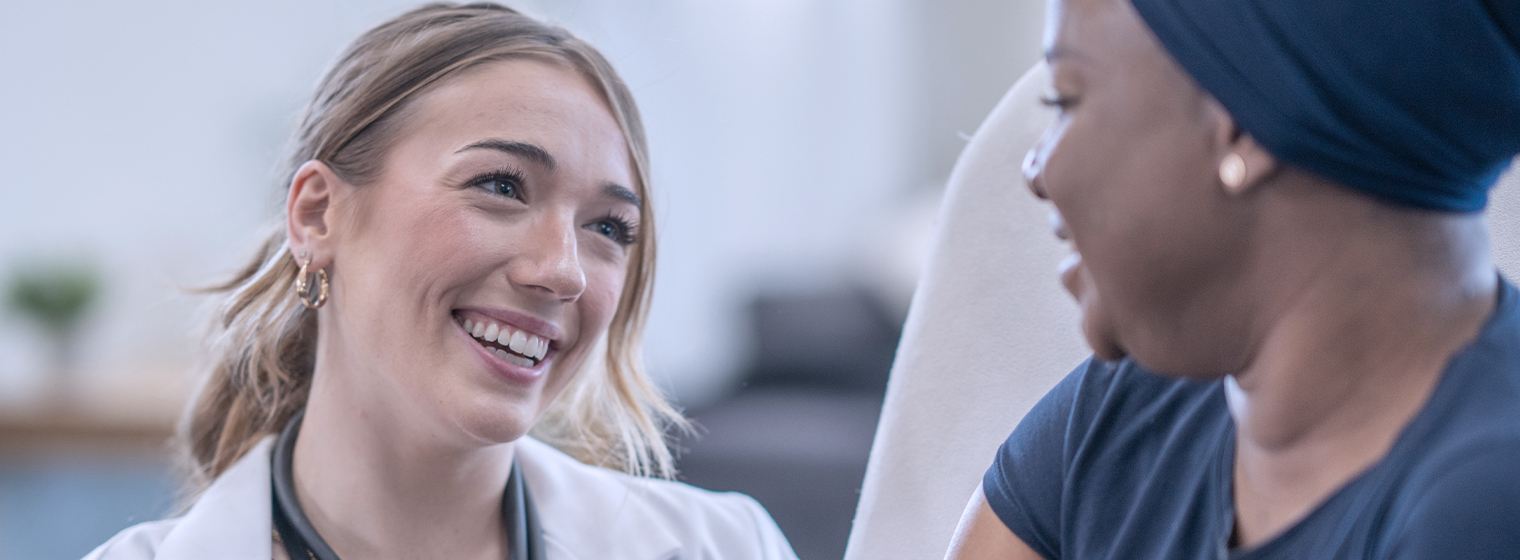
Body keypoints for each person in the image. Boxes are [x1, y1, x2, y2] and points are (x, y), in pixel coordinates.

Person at [84, 4, 797, 559]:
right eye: (501, 185)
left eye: (608, 228)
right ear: (317, 215)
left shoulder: (727, 547)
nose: (562, 271)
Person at [944, 0, 1520, 558]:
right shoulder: (1126, 415)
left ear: (1243, 129)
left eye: (1065, 99)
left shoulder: (1484, 508)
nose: (1037, 169)